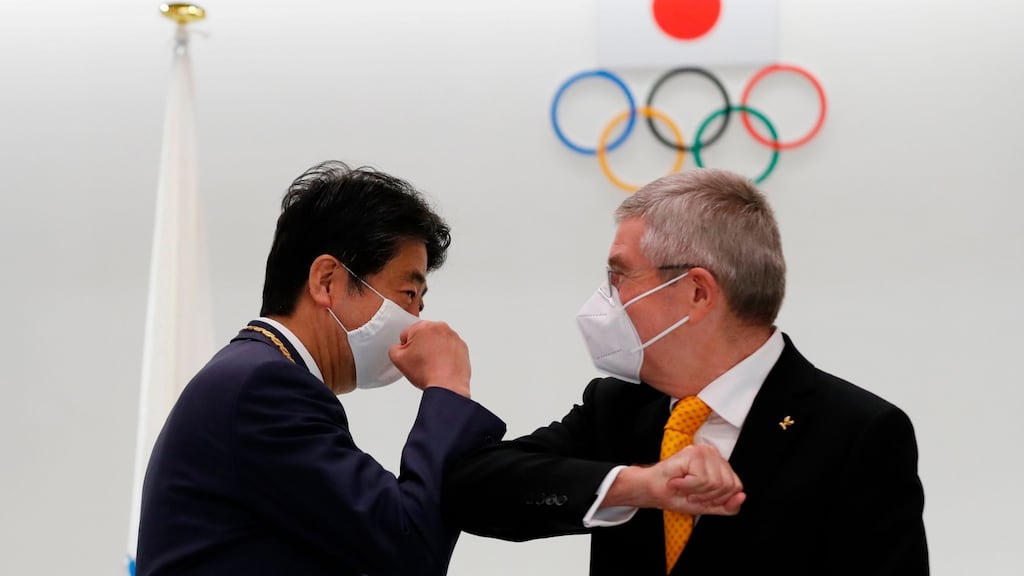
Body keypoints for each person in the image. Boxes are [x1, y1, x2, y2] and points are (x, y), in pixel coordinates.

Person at [446, 169, 928, 576]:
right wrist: (638, 485)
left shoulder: (859, 432)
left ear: (697, 293)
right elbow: (471, 488)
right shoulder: (620, 405)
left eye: (620, 276)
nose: (606, 299)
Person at [136, 161, 508, 576]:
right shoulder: (264, 387)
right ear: (327, 281)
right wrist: (448, 387)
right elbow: (407, 547)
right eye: (408, 293)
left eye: (421, 302)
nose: (418, 321)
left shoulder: (253, 373)